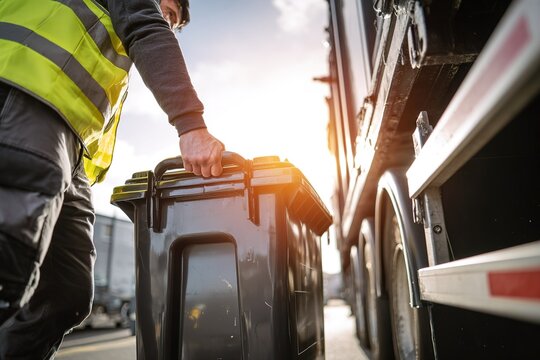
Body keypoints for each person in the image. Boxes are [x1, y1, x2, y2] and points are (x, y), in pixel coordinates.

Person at [0, 0, 224, 357]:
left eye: (173, 21)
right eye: (167, 12)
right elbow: (147, 30)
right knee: (7, 264)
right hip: (23, 95)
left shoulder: (105, 42)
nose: (165, 21)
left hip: (66, 145)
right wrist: (190, 125)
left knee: (65, 294)